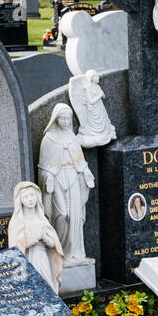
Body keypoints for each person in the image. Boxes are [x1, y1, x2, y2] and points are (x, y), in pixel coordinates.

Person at [38, 104, 94, 265]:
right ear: (56, 118)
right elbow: (43, 166)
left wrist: (86, 172)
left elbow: (81, 162)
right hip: (57, 179)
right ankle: (59, 250)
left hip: (74, 179)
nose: (65, 121)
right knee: (62, 215)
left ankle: (74, 252)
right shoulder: (48, 139)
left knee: (75, 216)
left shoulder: (72, 137)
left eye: (68, 118)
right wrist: (47, 177)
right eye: (62, 118)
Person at [8, 181, 64, 292]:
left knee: (47, 284)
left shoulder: (42, 219)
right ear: (20, 200)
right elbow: (13, 249)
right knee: (33, 286)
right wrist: (30, 241)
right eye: (26, 196)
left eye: (32, 195)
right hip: (27, 260)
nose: (30, 199)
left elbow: (55, 245)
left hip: (42, 258)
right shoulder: (17, 222)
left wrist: (46, 239)